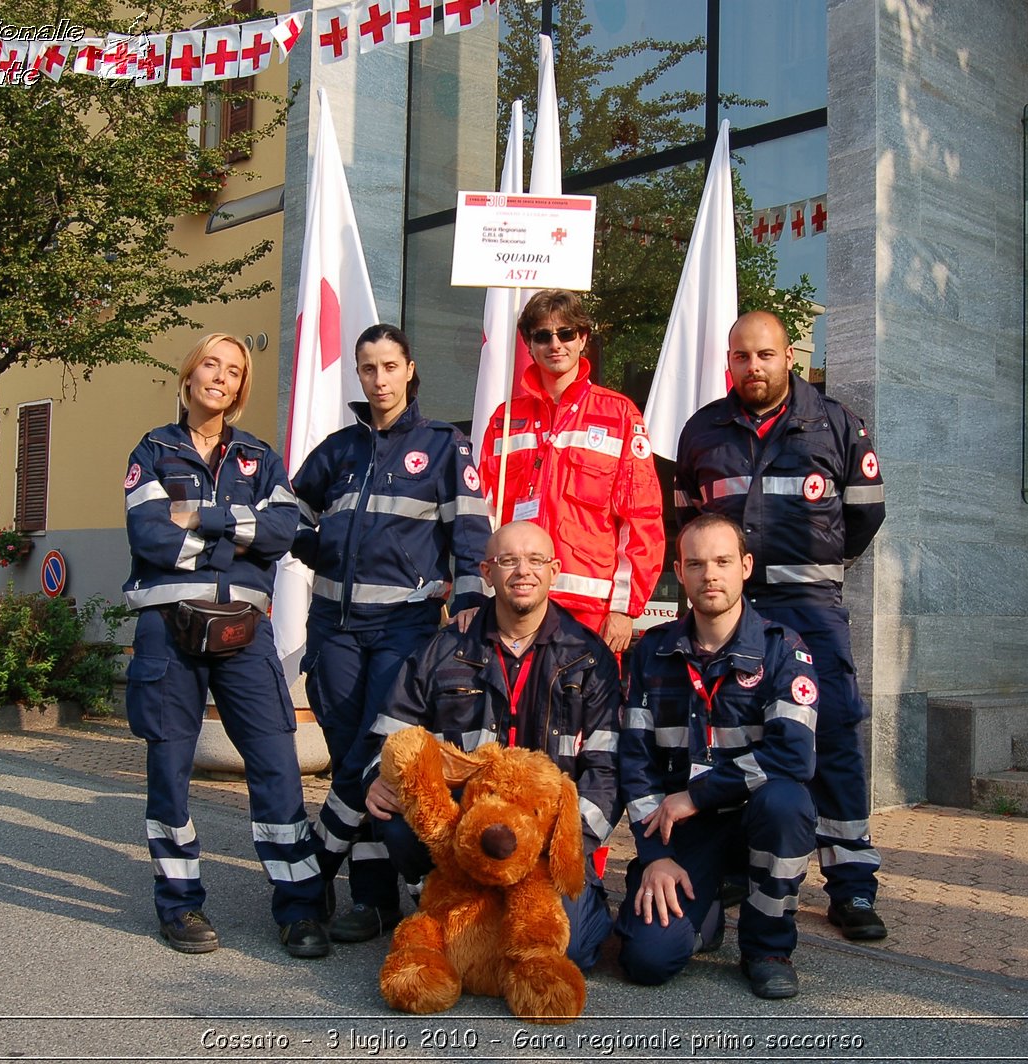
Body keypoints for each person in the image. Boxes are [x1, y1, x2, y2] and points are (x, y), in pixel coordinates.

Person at [673, 310, 888, 941]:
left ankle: (851, 885)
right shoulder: (703, 430)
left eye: (765, 355)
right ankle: (740, 863)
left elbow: (864, 516)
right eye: (741, 357)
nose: (753, 367)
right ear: (729, 361)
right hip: (732, 612)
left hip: (811, 608)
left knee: (835, 735)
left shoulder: (836, 424)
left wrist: (812, 566)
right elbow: (686, 519)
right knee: (729, 734)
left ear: (787, 355)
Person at [121, 332, 329, 959]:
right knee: (169, 770)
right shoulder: (152, 451)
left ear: (241, 389)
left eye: (234, 370)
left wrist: (204, 522)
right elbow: (151, 537)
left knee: (276, 765)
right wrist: (239, 537)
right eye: (210, 364)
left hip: (245, 629)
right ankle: (179, 904)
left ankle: (297, 907)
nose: (221, 377)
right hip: (168, 630)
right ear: (187, 378)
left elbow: (282, 530)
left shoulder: (260, 457)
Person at [291, 323, 492, 943]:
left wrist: (464, 598)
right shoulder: (339, 448)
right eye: (367, 368)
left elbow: (470, 528)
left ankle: (314, 868)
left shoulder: (443, 446)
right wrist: (314, 548)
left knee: (371, 754)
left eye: (389, 366)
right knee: (354, 753)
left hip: (402, 629)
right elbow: (290, 506)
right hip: (333, 629)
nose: (378, 379)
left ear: (410, 370)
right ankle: (372, 902)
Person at [357, 521, 621, 970]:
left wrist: (547, 846)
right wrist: (375, 777)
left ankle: (498, 916)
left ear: (554, 571)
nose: (524, 571)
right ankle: (440, 897)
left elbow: (608, 771)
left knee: (569, 952)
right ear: (486, 572)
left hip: (545, 845)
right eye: (508, 561)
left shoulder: (589, 657)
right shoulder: (442, 650)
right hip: (462, 840)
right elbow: (390, 732)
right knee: (399, 820)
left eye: (536, 560)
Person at [614, 514, 819, 999]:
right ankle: (704, 914)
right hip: (685, 832)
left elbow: (794, 755)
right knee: (648, 959)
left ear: (745, 566)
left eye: (723, 561)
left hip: (754, 815)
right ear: (680, 573)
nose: (711, 575)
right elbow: (634, 761)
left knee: (787, 804)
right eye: (697, 563)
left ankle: (767, 948)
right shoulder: (652, 653)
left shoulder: (783, 650)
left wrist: (697, 795)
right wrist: (656, 856)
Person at [478, 290, 664, 654]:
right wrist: (481, 590)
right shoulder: (504, 419)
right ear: (528, 344)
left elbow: (642, 519)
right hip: (516, 605)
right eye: (542, 335)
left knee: (585, 711)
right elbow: (481, 513)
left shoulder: (620, 416)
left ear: (583, 338)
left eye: (565, 333)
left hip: (589, 614)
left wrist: (624, 608)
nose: (555, 343)